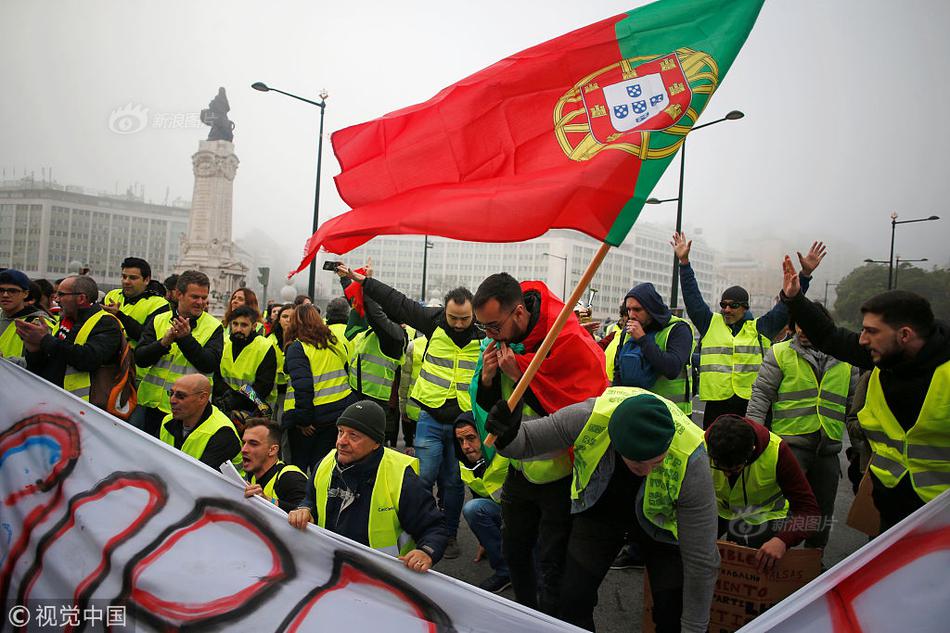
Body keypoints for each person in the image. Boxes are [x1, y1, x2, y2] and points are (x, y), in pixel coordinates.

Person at [486, 387, 719, 633]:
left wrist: (694, 630)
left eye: (658, 462)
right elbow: (526, 443)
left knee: (671, 610)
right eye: (640, 465)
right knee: (572, 600)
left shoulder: (692, 459)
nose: (650, 471)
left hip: (661, 524)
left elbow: (702, 561)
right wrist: (506, 433)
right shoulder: (589, 416)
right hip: (601, 513)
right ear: (616, 444)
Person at [472, 272, 608, 615]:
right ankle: (526, 616)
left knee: (552, 565)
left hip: (559, 474)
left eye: (493, 327)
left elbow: (576, 410)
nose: (489, 336)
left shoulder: (565, 336)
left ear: (518, 313)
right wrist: (488, 380)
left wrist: (521, 376)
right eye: (484, 329)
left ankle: (550, 621)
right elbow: (497, 411)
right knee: (514, 552)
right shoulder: (503, 344)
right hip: (519, 470)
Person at [781, 257, 950, 531]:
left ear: (904, 335)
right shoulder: (882, 355)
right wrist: (795, 299)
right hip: (889, 513)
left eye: (871, 331)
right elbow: (830, 336)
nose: (862, 339)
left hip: (939, 522)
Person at [339, 265, 482, 561]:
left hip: (463, 421)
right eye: (453, 317)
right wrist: (364, 281)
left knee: (454, 482)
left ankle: (449, 535)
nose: (457, 324)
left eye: (464, 318)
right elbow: (397, 302)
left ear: (474, 314)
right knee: (422, 476)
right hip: (429, 416)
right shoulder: (434, 321)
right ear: (446, 312)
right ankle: (415, 530)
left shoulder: (484, 333)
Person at [671, 233, 824, 427]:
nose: (727, 309)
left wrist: (805, 276)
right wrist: (684, 262)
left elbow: (787, 305)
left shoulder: (761, 327)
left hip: (752, 407)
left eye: (733, 305)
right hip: (716, 407)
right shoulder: (710, 323)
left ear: (745, 308)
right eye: (723, 304)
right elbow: (692, 297)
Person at [746, 303, 858, 550]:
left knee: (821, 511)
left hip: (827, 449)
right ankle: (772, 556)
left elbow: (854, 408)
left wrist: (860, 448)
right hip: (789, 445)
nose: (803, 330)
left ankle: (811, 562)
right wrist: (753, 436)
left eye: (809, 325)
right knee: (780, 508)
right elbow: (761, 395)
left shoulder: (846, 360)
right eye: (798, 324)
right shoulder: (780, 352)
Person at [287, 400, 447, 573]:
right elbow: (310, 500)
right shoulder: (325, 463)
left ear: (376, 443)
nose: (341, 441)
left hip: (383, 578)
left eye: (353, 435)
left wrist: (426, 552)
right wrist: (305, 509)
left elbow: (434, 527)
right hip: (331, 569)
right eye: (340, 432)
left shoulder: (401, 477)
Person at [705, 414, 821, 569]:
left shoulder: (777, 451)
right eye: (719, 468)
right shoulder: (699, 446)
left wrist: (782, 541)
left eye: (735, 469)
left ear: (752, 451)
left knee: (759, 564)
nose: (726, 474)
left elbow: (809, 511)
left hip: (765, 518)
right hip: (715, 512)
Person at [135, 270, 224, 438]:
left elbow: (209, 364)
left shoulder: (214, 327)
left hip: (188, 412)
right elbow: (140, 358)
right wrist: (163, 344)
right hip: (151, 407)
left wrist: (185, 339)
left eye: (204, 298)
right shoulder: (159, 319)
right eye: (195, 297)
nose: (201, 302)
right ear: (179, 294)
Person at [19, 275, 123, 405]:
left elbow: (89, 358)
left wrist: (45, 340)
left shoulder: (106, 322)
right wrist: (35, 350)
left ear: (81, 298)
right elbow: (53, 361)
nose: (56, 299)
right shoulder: (65, 320)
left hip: (84, 408)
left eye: (61, 294)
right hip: (56, 401)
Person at [282, 303, 355, 472]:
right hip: (337, 412)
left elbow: (303, 387)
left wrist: (303, 421)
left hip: (311, 419)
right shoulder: (333, 342)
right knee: (324, 468)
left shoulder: (298, 347)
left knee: (297, 469)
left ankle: (297, 499)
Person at [454, 413, 511, 593]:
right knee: (473, 509)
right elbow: (479, 497)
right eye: (460, 440)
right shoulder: (465, 463)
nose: (466, 447)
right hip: (503, 511)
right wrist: (484, 539)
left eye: (471, 438)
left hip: (528, 513)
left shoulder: (506, 452)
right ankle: (505, 572)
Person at [159, 374, 242, 471]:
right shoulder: (168, 421)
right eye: (171, 393)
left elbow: (201, 479)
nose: (172, 400)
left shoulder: (223, 432)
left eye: (181, 396)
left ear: (202, 398)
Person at [213, 305, 277, 427]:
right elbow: (216, 375)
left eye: (244, 325)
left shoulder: (265, 346)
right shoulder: (225, 343)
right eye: (235, 324)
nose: (238, 329)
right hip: (225, 407)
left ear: (253, 326)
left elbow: (264, 385)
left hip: (257, 410)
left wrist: (236, 400)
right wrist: (227, 396)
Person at [241, 417, 308, 511]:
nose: (244, 449)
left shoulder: (290, 477)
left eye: (253, 444)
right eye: (243, 443)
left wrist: (268, 501)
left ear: (272, 450)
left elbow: (309, 516)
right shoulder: (252, 476)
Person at [102, 257, 170, 347]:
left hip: (134, 358)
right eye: (124, 277)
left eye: (133, 278)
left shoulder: (159, 304)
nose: (126, 281)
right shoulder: (111, 295)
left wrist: (119, 316)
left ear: (146, 280)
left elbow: (149, 338)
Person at [1, 269, 52, 366]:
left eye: (13, 291)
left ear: (25, 294)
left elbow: (46, 361)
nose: (5, 295)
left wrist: (5, 363)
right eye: (1, 290)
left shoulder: (39, 322)